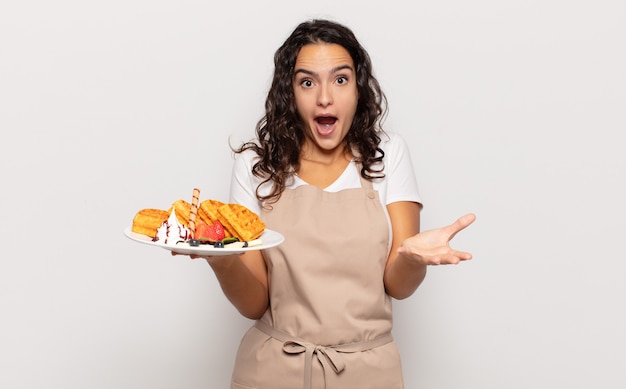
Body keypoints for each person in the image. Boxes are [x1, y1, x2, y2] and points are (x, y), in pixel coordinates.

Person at [196, 19, 476, 389]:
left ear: (358, 88)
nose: (324, 97)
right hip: (270, 372)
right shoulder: (255, 167)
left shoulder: (387, 155)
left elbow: (398, 285)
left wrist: (410, 257)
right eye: (307, 82)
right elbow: (254, 302)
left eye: (340, 79)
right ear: (290, 93)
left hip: (368, 372)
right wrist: (222, 260)